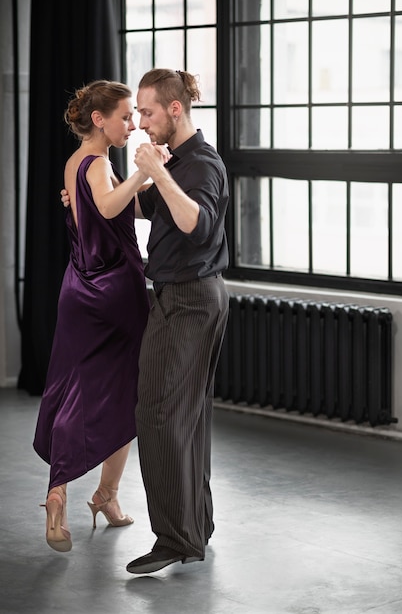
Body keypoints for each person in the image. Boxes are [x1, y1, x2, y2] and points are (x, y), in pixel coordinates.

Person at [33, 80, 159, 553]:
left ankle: (59, 493)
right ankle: (105, 494)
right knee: (125, 393)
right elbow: (107, 207)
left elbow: (91, 212)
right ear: (100, 119)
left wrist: (136, 181)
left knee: (73, 389)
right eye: (126, 117)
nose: (132, 125)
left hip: (77, 288)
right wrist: (145, 174)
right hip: (114, 291)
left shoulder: (74, 162)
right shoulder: (102, 162)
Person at [125, 68, 230, 574]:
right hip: (181, 294)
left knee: (158, 413)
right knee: (185, 416)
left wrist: (158, 171)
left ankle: (173, 539)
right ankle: (195, 529)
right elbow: (148, 207)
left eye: (146, 111)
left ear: (174, 109)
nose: (141, 122)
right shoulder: (177, 162)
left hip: (190, 298)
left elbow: (196, 222)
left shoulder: (203, 165)